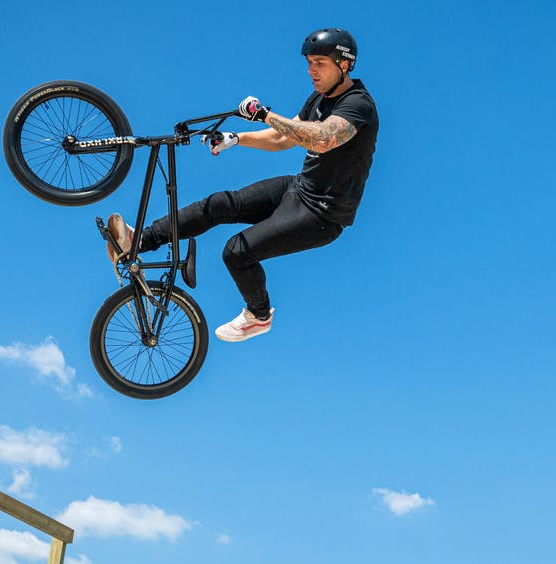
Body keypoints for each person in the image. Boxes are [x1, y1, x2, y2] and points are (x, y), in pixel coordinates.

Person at [105, 27, 378, 342]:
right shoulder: (319, 98)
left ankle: (258, 316)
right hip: (298, 190)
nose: (311, 70)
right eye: (309, 62)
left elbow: (322, 138)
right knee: (220, 204)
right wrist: (237, 137)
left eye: (320, 63)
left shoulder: (358, 104)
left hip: (322, 215)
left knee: (237, 251)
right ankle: (137, 242)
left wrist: (264, 114)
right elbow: (283, 136)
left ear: (344, 65)